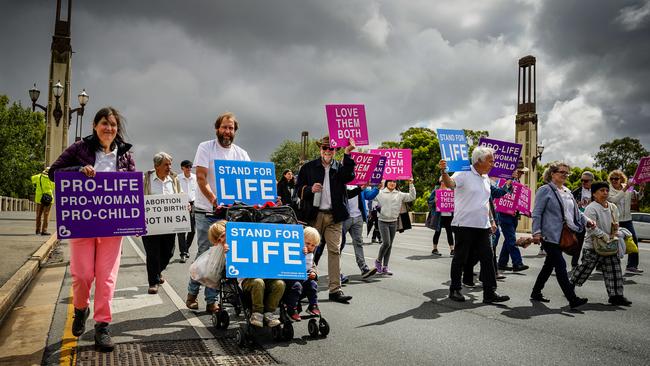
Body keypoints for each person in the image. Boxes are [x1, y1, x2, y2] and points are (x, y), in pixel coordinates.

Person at [49, 107, 135, 351]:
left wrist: (135, 219)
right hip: (82, 223)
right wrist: (78, 170)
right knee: (83, 275)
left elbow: (129, 190)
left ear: (117, 128)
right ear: (94, 126)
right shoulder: (79, 149)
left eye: (113, 124)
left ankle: (102, 326)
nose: (109, 128)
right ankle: (80, 309)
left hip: (111, 227)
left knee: (107, 279)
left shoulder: (125, 154)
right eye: (104, 124)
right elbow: (54, 173)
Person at [187, 112, 250, 313]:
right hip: (208, 210)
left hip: (231, 213)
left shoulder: (241, 154)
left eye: (231, 128)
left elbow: (250, 182)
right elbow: (201, 179)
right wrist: (215, 200)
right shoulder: (206, 148)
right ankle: (192, 292)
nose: (227, 131)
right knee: (206, 251)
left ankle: (211, 300)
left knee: (225, 254)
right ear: (217, 129)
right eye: (224, 127)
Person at [439, 146, 510, 304]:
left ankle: (490, 292)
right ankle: (455, 289)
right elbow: (450, 184)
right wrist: (444, 172)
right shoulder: (463, 172)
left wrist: (491, 220)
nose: (493, 164)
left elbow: (485, 202)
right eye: (491, 161)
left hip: (482, 225)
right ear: (479, 161)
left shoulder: (485, 178)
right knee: (460, 257)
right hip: (464, 224)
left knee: (487, 258)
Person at [296, 135, 356, 303]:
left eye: (331, 148)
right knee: (309, 251)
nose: (328, 151)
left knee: (335, 251)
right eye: (325, 148)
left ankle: (335, 290)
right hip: (314, 216)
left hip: (335, 216)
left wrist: (348, 153)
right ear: (320, 149)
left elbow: (349, 176)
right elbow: (297, 189)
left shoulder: (340, 167)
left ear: (335, 150)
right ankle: (302, 286)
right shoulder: (308, 167)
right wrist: (309, 189)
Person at [530, 161, 589, 309]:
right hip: (549, 235)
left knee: (548, 265)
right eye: (562, 172)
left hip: (563, 234)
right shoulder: (545, 190)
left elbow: (575, 212)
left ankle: (536, 292)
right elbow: (537, 213)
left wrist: (588, 221)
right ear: (552, 173)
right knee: (561, 265)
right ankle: (572, 298)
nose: (565, 175)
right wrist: (536, 232)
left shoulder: (567, 191)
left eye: (566, 172)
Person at [570, 181, 631, 306]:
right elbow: (590, 228)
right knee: (584, 270)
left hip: (610, 245)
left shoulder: (612, 207)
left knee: (615, 271)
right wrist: (605, 236)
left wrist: (615, 233)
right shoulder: (591, 208)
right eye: (601, 191)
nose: (605, 193)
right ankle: (569, 289)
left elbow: (616, 224)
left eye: (606, 190)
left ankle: (616, 296)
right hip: (593, 246)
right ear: (594, 194)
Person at [142, 152, 181, 295]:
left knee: (168, 252)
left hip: (169, 225)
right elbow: (138, 200)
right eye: (166, 164)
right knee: (152, 253)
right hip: (150, 225)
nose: (169, 167)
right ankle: (153, 282)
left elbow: (180, 196)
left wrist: (185, 205)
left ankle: (157, 272)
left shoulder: (174, 180)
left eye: (170, 164)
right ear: (157, 166)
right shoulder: (146, 179)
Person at [372, 179, 416, 275]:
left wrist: (411, 184)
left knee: (390, 245)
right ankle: (378, 261)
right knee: (386, 243)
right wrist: (378, 185)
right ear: (387, 182)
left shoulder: (399, 194)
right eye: (390, 181)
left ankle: (385, 267)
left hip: (393, 221)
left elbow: (412, 196)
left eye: (394, 181)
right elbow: (370, 196)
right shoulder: (380, 193)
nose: (392, 183)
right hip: (382, 221)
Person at [607, 170, 645, 274]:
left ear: (621, 179)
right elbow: (614, 200)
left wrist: (641, 189)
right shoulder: (609, 189)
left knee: (634, 241)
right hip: (614, 220)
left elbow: (637, 197)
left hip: (627, 219)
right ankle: (604, 264)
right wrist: (626, 188)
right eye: (612, 179)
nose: (613, 180)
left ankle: (631, 266)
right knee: (612, 243)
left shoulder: (628, 187)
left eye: (616, 178)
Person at [341, 183, 380, 278]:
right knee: (339, 244)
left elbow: (368, 195)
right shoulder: (342, 181)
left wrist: (377, 188)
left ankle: (363, 268)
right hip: (343, 218)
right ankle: (336, 272)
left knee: (358, 242)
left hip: (358, 217)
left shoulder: (360, 181)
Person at [284, 226, 321, 321]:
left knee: (313, 284)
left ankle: (313, 305)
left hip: (304, 280)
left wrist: (313, 273)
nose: (310, 247)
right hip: (291, 281)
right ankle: (291, 309)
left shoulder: (310, 254)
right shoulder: (292, 249)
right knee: (296, 286)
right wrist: (299, 252)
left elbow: (312, 265)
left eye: (313, 245)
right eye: (307, 243)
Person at [497, 167, 530, 272]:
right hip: (505, 215)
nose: (521, 174)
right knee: (511, 239)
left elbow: (518, 200)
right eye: (520, 172)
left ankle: (502, 262)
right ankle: (517, 263)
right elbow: (502, 196)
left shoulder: (518, 182)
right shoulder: (505, 181)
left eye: (522, 172)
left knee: (508, 239)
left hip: (513, 215)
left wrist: (525, 211)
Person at [570, 171, 595, 268]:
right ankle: (574, 264)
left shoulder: (596, 191)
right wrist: (576, 205)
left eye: (585, 181)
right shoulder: (576, 191)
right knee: (578, 243)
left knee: (595, 242)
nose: (583, 183)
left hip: (593, 219)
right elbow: (569, 206)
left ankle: (597, 264)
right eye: (582, 180)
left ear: (591, 181)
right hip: (580, 220)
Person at [427, 179, 455, 256]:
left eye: (445, 180)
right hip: (439, 215)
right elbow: (429, 201)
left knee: (449, 232)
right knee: (437, 231)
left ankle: (452, 250)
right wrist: (434, 201)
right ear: (440, 182)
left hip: (449, 215)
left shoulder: (451, 190)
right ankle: (434, 249)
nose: (443, 182)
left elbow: (456, 201)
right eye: (442, 181)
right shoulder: (436, 190)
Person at [177, 159, 197, 263]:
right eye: (187, 167)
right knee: (181, 230)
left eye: (190, 167)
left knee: (192, 230)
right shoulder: (178, 178)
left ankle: (186, 248)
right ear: (182, 168)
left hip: (193, 204)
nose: (189, 168)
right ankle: (183, 254)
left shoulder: (195, 178)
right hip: (180, 204)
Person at [31, 167, 54, 235]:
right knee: (46, 215)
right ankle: (44, 230)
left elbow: (32, 179)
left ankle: (37, 230)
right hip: (49, 199)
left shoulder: (39, 176)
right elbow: (53, 187)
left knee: (38, 215)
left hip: (39, 199)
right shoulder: (52, 179)